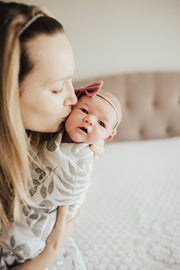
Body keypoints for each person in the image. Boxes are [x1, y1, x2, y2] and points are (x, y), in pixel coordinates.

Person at [0, 1, 102, 269]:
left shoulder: (39, 139)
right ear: (6, 96)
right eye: (57, 89)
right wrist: (51, 251)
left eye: (71, 80)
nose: (72, 98)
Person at [0, 81, 122, 269]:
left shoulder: (81, 162)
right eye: (84, 111)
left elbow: (74, 199)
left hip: (41, 217)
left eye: (101, 123)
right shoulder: (48, 129)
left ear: (108, 135)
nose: (90, 120)